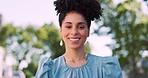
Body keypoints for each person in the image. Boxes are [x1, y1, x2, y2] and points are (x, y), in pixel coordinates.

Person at [35, 0, 122, 78]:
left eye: (80, 27)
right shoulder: (49, 70)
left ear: (88, 31)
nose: (74, 32)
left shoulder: (105, 68)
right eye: (68, 26)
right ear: (61, 31)